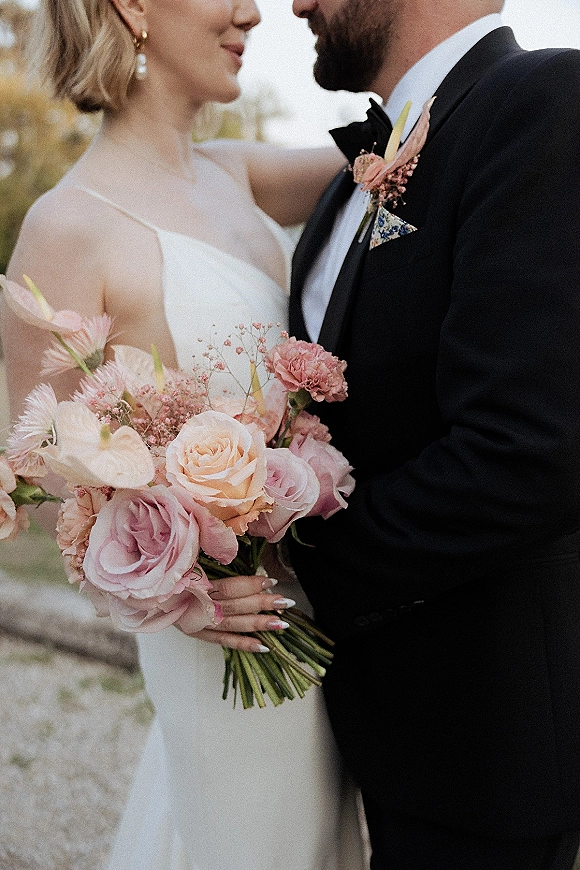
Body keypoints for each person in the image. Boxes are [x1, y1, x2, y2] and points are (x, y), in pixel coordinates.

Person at [0, 1, 368, 868]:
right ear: (133, 7)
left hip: (320, 611)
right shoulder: (64, 227)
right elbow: (38, 469)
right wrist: (174, 587)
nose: (253, 11)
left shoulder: (239, 173)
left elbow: (403, 147)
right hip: (219, 636)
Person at [282, 0, 580, 868]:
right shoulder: (348, 180)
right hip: (374, 734)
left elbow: (532, 449)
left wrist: (291, 567)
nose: (298, 2)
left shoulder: (544, 100)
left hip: (492, 749)